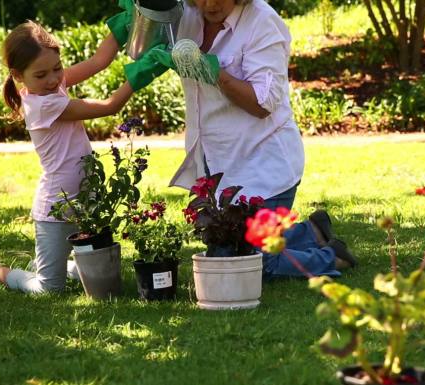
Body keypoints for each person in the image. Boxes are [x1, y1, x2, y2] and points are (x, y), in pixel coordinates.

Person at [141, 0, 358, 276]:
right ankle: (310, 232)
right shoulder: (187, 16)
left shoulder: (261, 22)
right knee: (224, 254)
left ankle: (331, 257)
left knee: (246, 264)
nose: (209, 4)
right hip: (219, 165)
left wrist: (216, 73)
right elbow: (140, 40)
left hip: (264, 168)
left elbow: (262, 104)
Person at [0, 15, 162, 293]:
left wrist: (122, 28)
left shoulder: (51, 85)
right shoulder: (43, 105)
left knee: (91, 268)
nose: (53, 79)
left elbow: (98, 62)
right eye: (41, 75)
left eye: (57, 68)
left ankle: (49, 265)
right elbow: (109, 106)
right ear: (18, 76)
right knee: (49, 289)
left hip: (85, 195)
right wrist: (139, 76)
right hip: (56, 208)